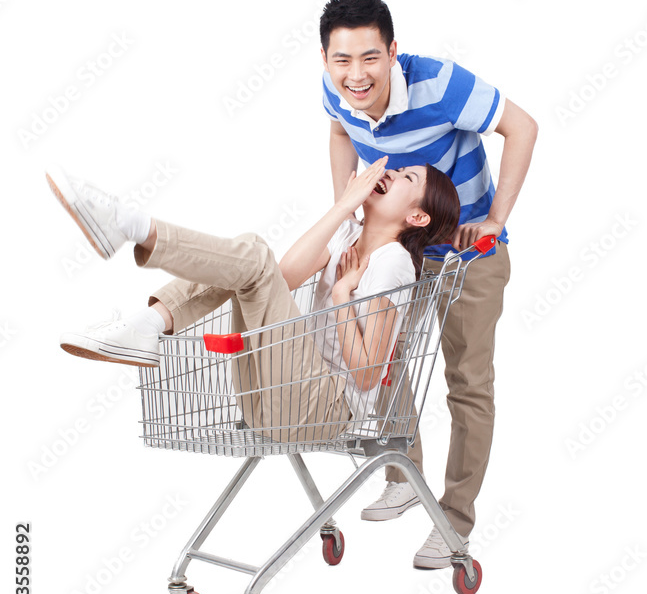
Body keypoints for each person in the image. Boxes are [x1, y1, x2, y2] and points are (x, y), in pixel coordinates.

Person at [320, 0, 538, 568]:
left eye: (370, 58)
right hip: (400, 247)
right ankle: (402, 473)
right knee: (381, 355)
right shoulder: (337, 88)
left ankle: (454, 521)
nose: (356, 75)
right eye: (342, 61)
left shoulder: (442, 85)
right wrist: (347, 203)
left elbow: (523, 127)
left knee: (466, 382)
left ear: (393, 51)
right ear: (327, 61)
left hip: (469, 252)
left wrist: (495, 219)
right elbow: (341, 131)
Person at [46, 159, 459, 443]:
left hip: (323, 410)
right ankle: (148, 324)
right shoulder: (346, 237)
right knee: (249, 254)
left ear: (417, 217)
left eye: (407, 178)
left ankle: (131, 226)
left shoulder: (394, 264)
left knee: (252, 255)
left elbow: (369, 374)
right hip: (272, 398)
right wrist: (342, 208)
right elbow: (282, 278)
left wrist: (339, 293)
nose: (388, 172)